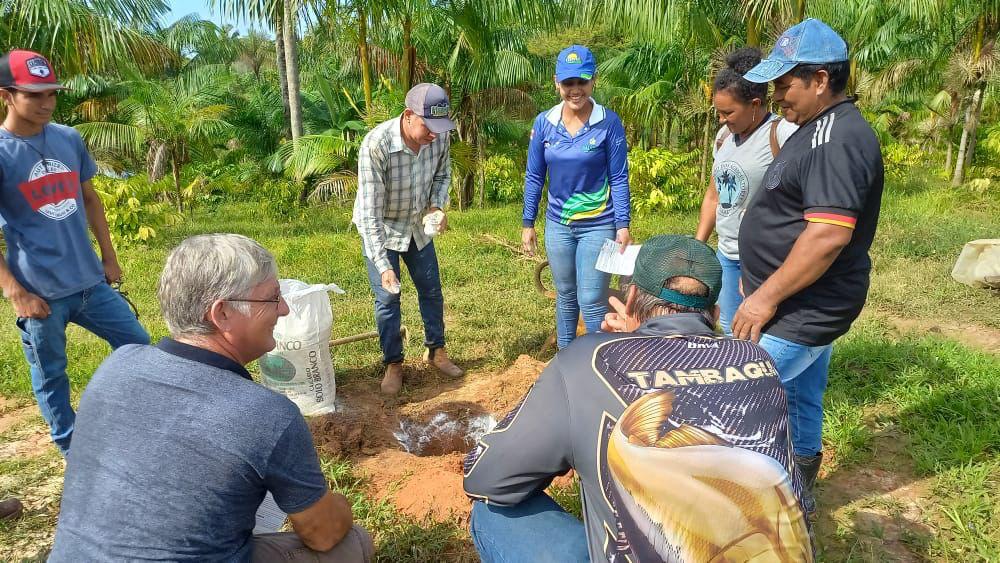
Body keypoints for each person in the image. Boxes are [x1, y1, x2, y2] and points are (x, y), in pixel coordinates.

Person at [464, 235, 811, 563]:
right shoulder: (758, 359)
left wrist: (615, 346)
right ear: (716, 315)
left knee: (491, 512)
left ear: (629, 300)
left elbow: (488, 478)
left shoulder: (587, 361)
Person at [49, 234, 373, 562]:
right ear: (222, 314)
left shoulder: (117, 364)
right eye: (273, 298)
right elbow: (323, 533)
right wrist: (340, 506)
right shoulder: (269, 415)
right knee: (353, 542)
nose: (285, 308)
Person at [734, 19, 885, 517]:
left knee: (740, 396)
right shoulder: (814, 129)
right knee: (800, 399)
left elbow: (828, 234)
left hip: (804, 308)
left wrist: (764, 295)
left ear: (820, 79)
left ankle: (752, 506)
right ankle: (798, 491)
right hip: (801, 299)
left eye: (784, 84)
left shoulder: (837, 139)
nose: (777, 95)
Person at [0, 50, 149, 455]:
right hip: (41, 293)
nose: (46, 103)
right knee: (51, 375)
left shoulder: (68, 138)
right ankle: (72, 449)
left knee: (139, 347)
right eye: (35, 95)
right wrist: (16, 292)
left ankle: (133, 420)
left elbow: (90, 198)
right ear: (7, 96)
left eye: (51, 94)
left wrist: (110, 256)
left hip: (90, 282)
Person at [353, 82, 464, 395]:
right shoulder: (376, 146)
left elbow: (443, 175)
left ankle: (436, 351)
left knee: (431, 289)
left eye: (439, 128)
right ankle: (394, 364)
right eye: (428, 127)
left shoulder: (438, 136)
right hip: (383, 229)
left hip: (417, 225)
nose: (434, 134)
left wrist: (436, 206)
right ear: (408, 116)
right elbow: (371, 214)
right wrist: (382, 264)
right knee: (388, 298)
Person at [521, 45, 632, 349]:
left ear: (593, 80)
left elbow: (619, 176)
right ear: (557, 82)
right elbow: (534, 175)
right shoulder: (545, 123)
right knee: (566, 295)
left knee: (592, 299)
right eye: (568, 83)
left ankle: (597, 365)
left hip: (599, 224)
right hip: (558, 225)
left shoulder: (609, 123)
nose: (575, 90)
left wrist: (622, 224)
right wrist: (528, 222)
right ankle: (566, 362)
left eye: (582, 82)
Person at [695, 47, 797, 335]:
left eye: (728, 112)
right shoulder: (724, 137)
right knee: (729, 326)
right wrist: (699, 245)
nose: (722, 119)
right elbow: (714, 196)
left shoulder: (780, 133)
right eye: (718, 112)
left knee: (762, 328)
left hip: (765, 255)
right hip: (727, 252)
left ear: (755, 104)